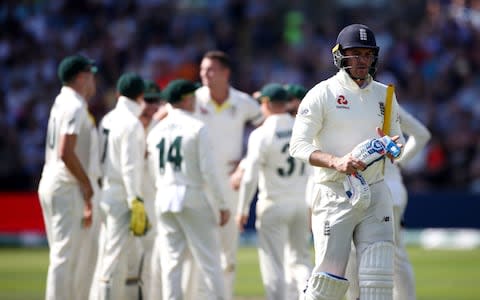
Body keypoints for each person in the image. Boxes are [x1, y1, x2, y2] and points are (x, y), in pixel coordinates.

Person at [289, 23, 404, 300]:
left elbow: (397, 141)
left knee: (378, 281)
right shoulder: (322, 93)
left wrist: (392, 149)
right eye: (355, 54)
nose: (362, 60)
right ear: (340, 56)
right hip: (335, 192)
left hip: (375, 190)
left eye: (367, 54)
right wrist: (336, 162)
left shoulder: (384, 95)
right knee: (328, 282)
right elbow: (298, 146)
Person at [146, 79, 230, 299]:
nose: (195, 100)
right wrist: (221, 204)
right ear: (184, 99)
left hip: (163, 196)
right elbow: (209, 172)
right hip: (191, 193)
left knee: (172, 263)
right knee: (210, 261)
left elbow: (152, 170)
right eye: (192, 96)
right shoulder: (197, 127)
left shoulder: (155, 131)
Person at [193, 50, 264, 298]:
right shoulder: (193, 99)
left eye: (210, 70)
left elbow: (267, 126)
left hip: (230, 181)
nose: (204, 75)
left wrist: (245, 164)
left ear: (225, 73)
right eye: (202, 70)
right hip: (199, 183)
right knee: (199, 253)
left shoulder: (242, 101)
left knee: (228, 252)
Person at [345, 105, 431, 300]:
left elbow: (423, 135)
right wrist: (400, 163)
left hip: (364, 190)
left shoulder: (351, 106)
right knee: (395, 255)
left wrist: (398, 163)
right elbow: (422, 134)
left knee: (351, 251)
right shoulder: (387, 104)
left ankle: (356, 297)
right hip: (392, 189)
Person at [236, 83, 312, 300]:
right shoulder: (302, 129)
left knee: (274, 265)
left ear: (267, 104)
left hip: (273, 204)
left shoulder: (261, 134)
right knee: (301, 260)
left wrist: (241, 209)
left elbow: (249, 176)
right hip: (300, 202)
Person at [38, 54, 97, 300]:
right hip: (66, 184)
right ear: (82, 78)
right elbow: (66, 151)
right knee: (64, 256)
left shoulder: (60, 102)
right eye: (91, 76)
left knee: (63, 254)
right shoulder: (74, 106)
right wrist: (87, 185)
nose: (94, 82)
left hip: (51, 180)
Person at [92, 72, 150, 300]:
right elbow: (129, 165)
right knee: (114, 259)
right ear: (141, 96)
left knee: (119, 255)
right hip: (122, 196)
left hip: (107, 191)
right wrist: (135, 199)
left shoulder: (107, 118)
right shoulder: (131, 123)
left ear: (118, 94)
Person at [124, 79, 164, 299]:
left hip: (153, 200)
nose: (150, 106)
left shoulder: (161, 129)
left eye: (155, 101)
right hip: (128, 199)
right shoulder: (126, 125)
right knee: (126, 259)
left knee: (152, 259)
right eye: (147, 100)